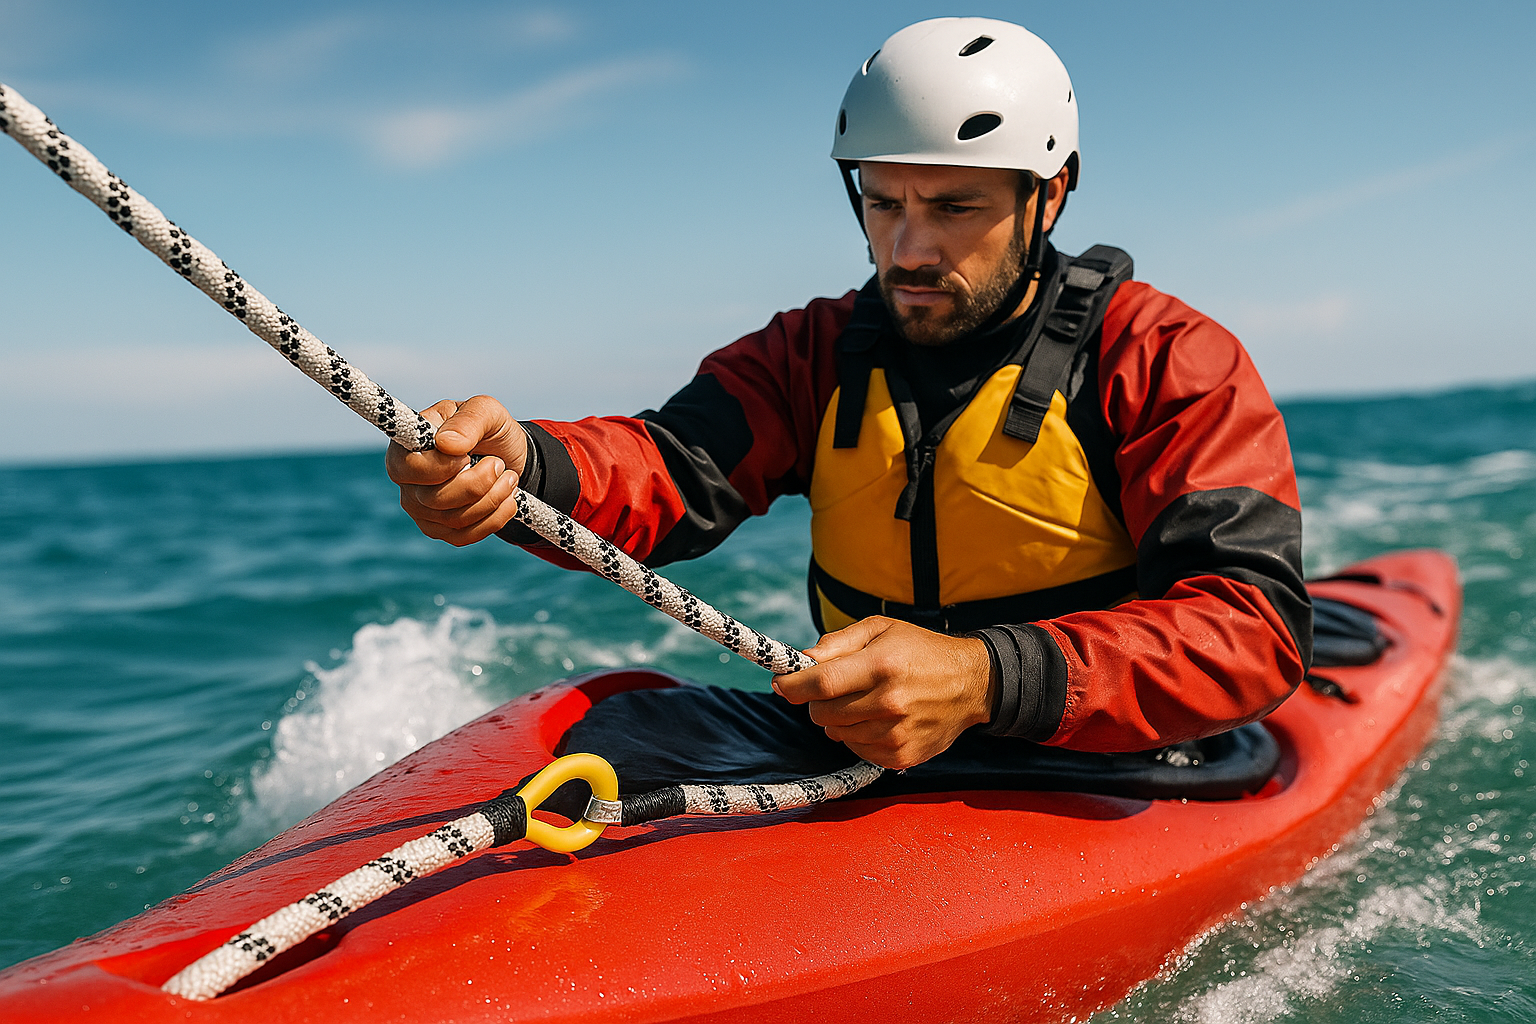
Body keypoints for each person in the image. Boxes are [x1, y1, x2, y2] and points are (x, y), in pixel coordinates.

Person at [386, 18, 1311, 772]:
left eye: (953, 208)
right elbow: (671, 465)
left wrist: (986, 678)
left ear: (1050, 195)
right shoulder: (813, 352)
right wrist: (530, 470)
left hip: (1114, 759)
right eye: (883, 202)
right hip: (869, 749)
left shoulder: (1166, 356)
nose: (908, 249)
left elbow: (1251, 627)